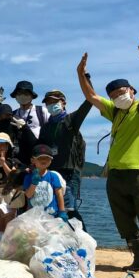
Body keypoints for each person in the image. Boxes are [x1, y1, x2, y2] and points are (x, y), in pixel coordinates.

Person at [77, 39, 139, 274]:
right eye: (114, 94)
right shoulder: (115, 113)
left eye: (122, 91)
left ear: (132, 91)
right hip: (115, 176)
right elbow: (91, 96)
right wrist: (80, 73)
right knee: (123, 220)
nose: (119, 96)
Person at [38, 89, 93, 227]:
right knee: (54, 207)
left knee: (70, 208)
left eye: (54, 101)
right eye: (48, 103)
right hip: (51, 172)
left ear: (63, 102)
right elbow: (39, 149)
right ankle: (63, 241)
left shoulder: (71, 120)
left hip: (69, 172)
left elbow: (88, 103)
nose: (51, 105)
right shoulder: (45, 127)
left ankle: (82, 238)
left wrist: (86, 79)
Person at [23, 144, 66, 219]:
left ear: (51, 161)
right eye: (40, 158)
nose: (44, 160)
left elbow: (59, 194)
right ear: (33, 160)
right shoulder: (28, 177)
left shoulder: (53, 176)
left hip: (51, 215)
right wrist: (33, 183)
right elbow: (28, 195)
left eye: (47, 158)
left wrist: (62, 211)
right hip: (33, 216)